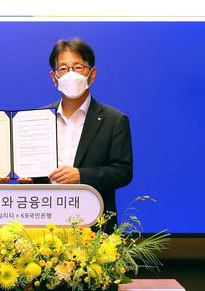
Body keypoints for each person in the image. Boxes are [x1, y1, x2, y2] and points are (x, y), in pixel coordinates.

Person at [26, 38, 133, 233]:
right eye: (63, 69)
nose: (71, 75)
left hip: (93, 228)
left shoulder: (114, 120)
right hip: (44, 225)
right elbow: (32, 167)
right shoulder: (38, 118)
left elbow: (122, 172)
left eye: (78, 67)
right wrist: (25, 176)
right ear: (53, 77)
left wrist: (81, 175)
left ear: (92, 74)